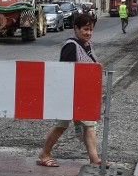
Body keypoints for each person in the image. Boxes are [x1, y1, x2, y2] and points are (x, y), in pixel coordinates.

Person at [37, 14, 102, 167]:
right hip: (69, 95)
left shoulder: (87, 45)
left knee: (88, 125)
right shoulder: (71, 46)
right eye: (85, 29)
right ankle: (45, 153)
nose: (88, 33)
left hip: (81, 95)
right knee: (62, 125)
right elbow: (64, 71)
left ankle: (94, 159)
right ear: (76, 29)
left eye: (91, 30)